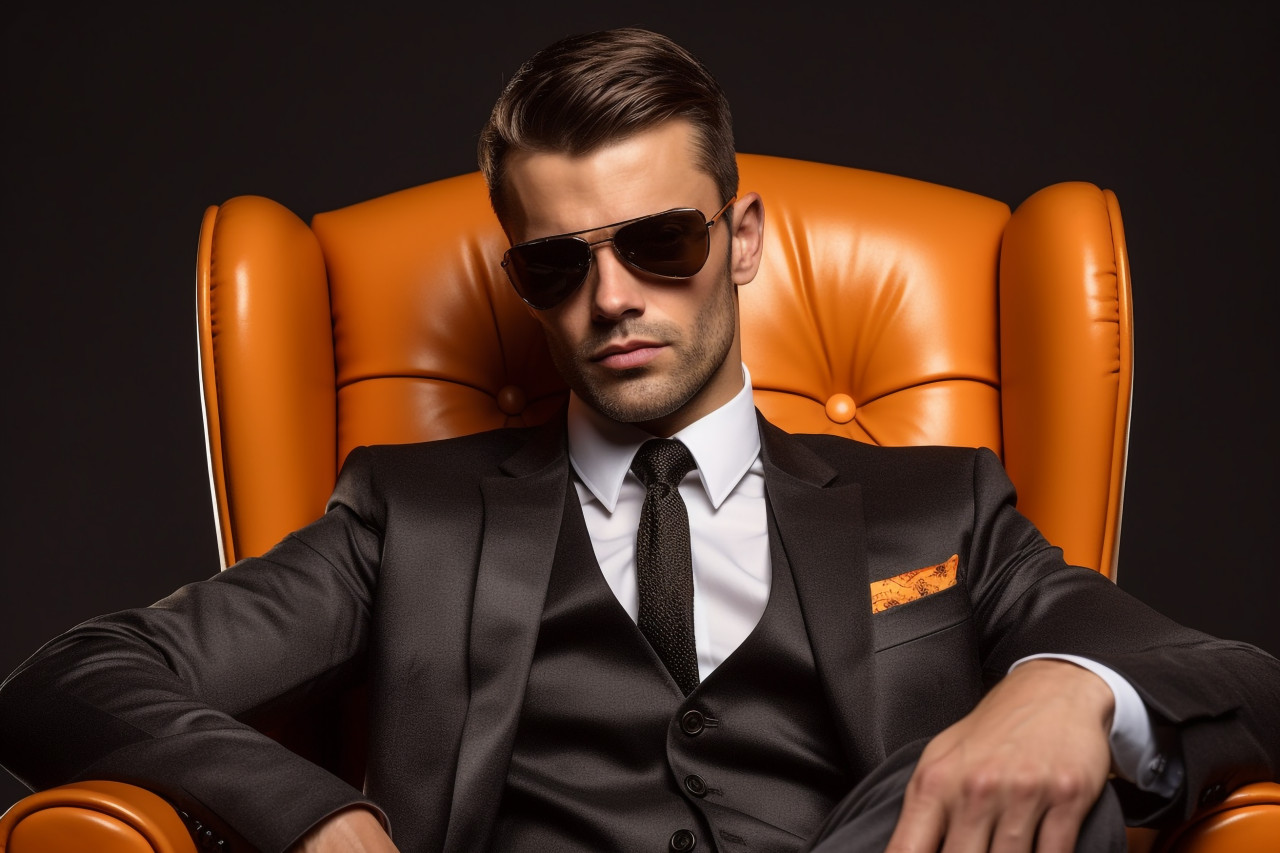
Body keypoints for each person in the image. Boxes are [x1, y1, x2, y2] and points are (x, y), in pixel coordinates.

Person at [2, 27, 1278, 853]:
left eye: (659, 243)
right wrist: (322, 821)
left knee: (1071, 771)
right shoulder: (412, 514)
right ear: (523, 283)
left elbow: (1234, 678)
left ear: (742, 240)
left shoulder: (937, 507)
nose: (611, 297)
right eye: (559, 264)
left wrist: (1065, 687)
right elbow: (71, 677)